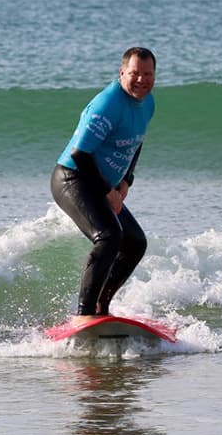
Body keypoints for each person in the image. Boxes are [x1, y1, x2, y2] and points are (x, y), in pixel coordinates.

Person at [50, 47, 157, 320]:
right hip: (73, 178)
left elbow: (136, 143)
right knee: (109, 236)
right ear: (122, 73)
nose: (142, 80)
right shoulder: (108, 104)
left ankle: (102, 307)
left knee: (135, 243)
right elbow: (80, 154)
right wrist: (109, 192)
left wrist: (126, 182)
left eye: (148, 74)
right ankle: (85, 314)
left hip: (105, 184)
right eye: (135, 74)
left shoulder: (148, 103)